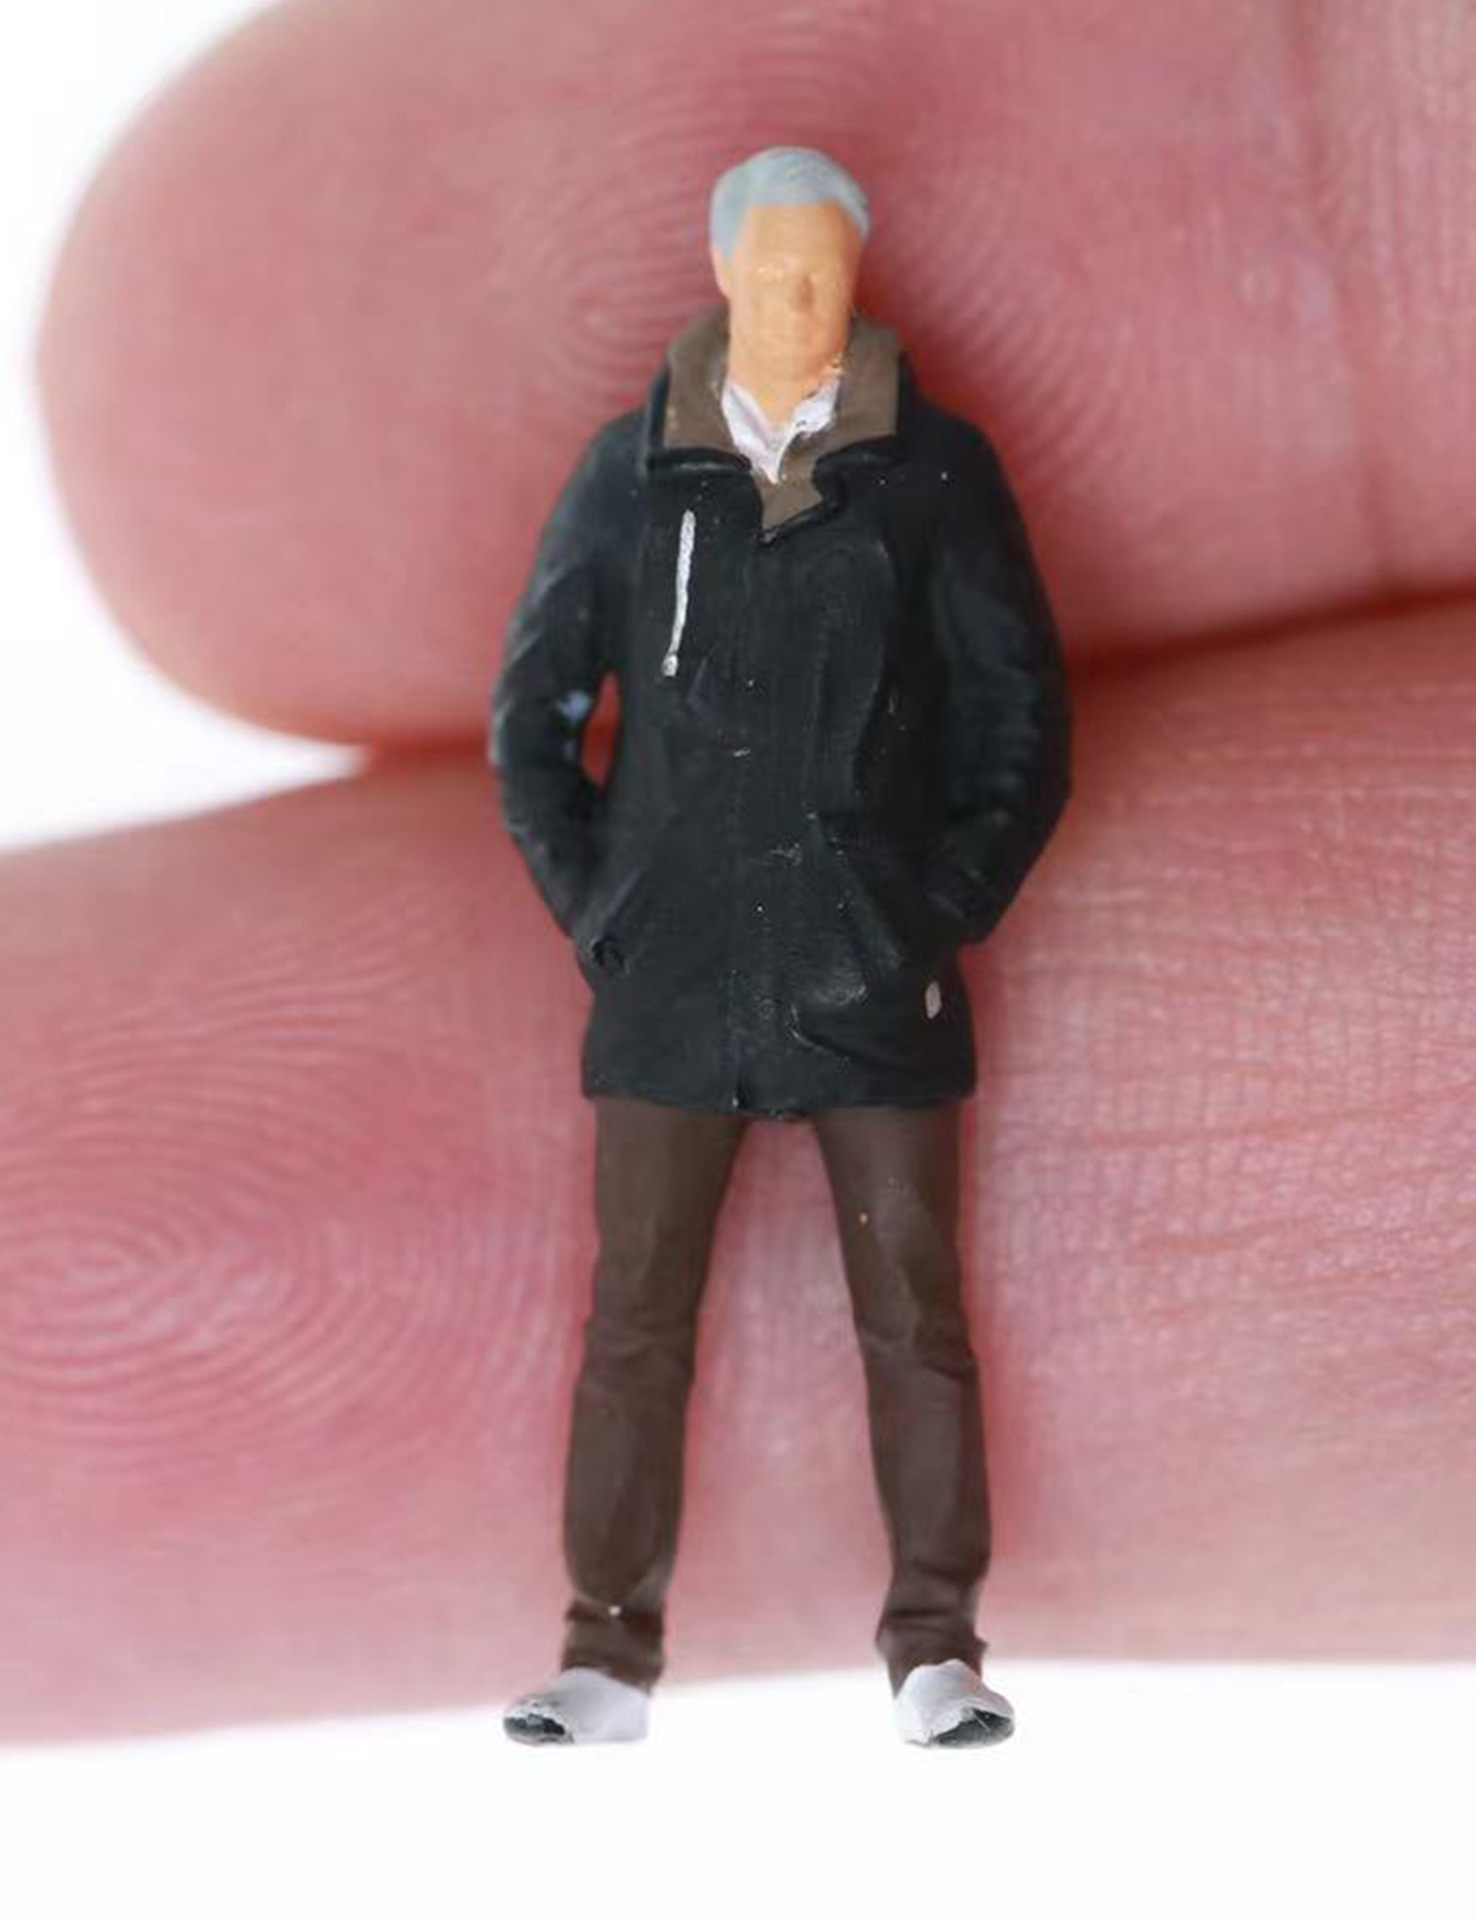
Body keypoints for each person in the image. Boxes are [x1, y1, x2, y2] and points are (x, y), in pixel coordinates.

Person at [489, 145, 1071, 1746]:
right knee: (633, 1324)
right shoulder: (633, 471)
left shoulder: (933, 472)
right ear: (723, 266)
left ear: (856, 275)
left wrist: (931, 915)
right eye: (773, 264)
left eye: (825, 266)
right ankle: (607, 1654)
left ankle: (937, 1642)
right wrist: (604, 913)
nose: (800, 293)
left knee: (917, 1318)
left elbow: (1022, 723)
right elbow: (533, 721)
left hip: (875, 979)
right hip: (671, 982)